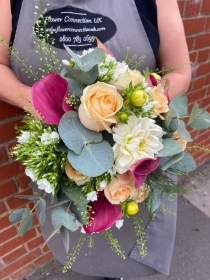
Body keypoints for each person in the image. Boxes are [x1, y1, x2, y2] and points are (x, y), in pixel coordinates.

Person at [0, 1, 191, 279]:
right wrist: (44, 104)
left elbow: (180, 70)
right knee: (80, 247)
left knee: (127, 259)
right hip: (61, 164)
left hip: (135, 165)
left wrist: (135, 104)